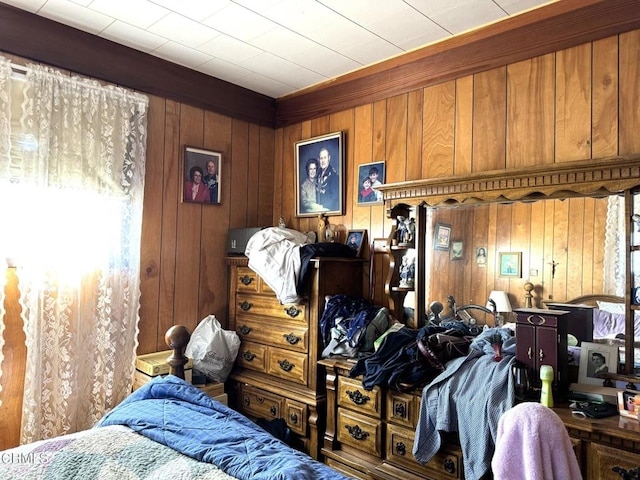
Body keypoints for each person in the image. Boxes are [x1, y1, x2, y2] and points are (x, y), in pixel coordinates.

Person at [316, 147, 339, 211]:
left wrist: (322, 207)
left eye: (325, 158)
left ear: (329, 158)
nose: (323, 161)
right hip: (317, 210)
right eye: (321, 158)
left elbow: (335, 198)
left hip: (327, 211)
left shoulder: (333, 176)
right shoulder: (318, 173)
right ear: (319, 160)